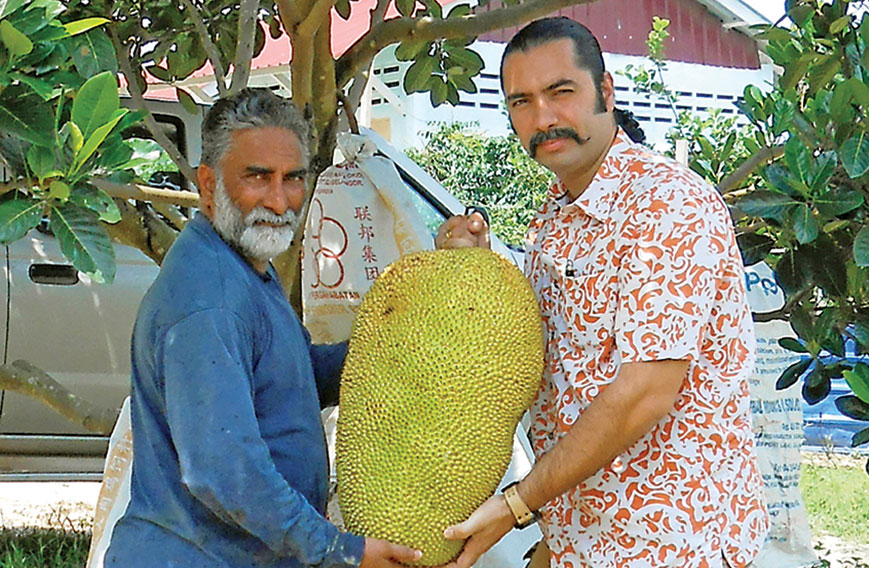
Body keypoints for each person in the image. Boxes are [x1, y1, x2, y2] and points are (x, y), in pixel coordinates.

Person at [436, 17, 769, 568]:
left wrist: (517, 504)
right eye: (522, 102)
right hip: (585, 535)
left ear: (606, 91)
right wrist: (476, 270)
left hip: (671, 542)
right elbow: (554, 360)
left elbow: (645, 391)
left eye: (561, 92)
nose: (543, 118)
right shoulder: (555, 214)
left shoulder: (666, 205)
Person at [104, 88, 421, 568]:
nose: (279, 200)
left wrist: (399, 339)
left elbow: (288, 380)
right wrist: (340, 550)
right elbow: (224, 472)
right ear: (208, 186)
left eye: (293, 178)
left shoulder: (245, 265)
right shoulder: (208, 300)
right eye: (258, 177)